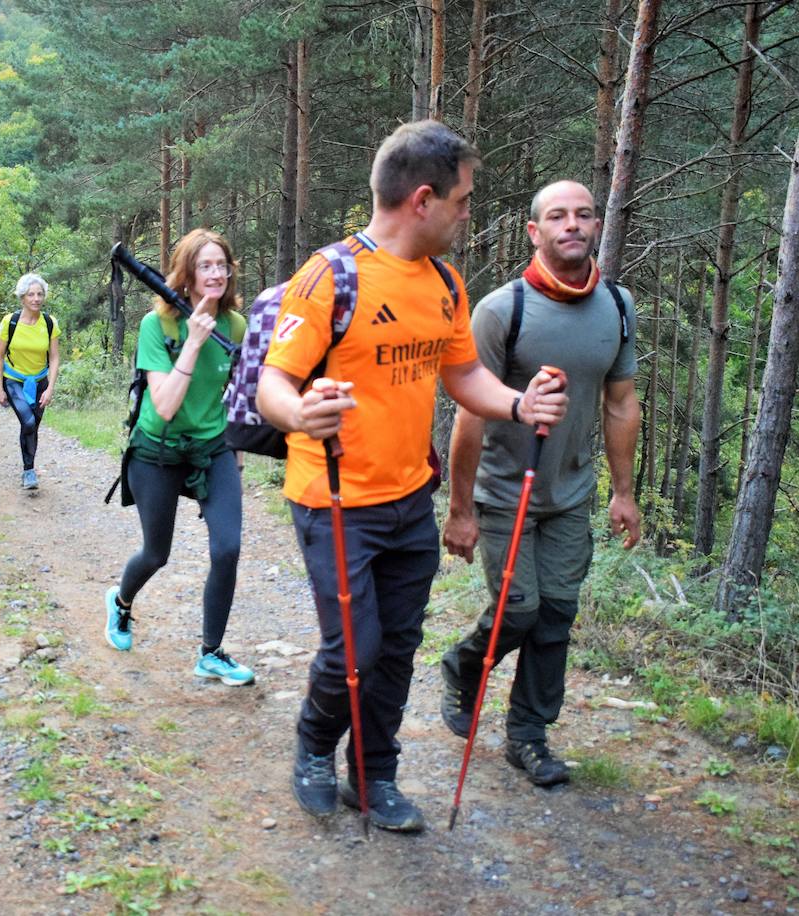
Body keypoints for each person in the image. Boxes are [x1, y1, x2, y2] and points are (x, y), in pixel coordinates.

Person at [256, 121, 567, 833]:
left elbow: (462, 375)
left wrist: (519, 403)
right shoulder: (330, 276)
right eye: (462, 200)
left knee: (395, 649)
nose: (468, 214)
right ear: (422, 199)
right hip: (333, 502)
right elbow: (275, 383)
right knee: (355, 649)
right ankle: (314, 744)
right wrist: (302, 414)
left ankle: (375, 776)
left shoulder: (445, 285)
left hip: (407, 502)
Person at [440, 180, 641, 787]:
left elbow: (621, 403)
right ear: (535, 231)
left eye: (583, 215)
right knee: (518, 610)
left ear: (596, 225)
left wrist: (624, 493)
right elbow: (470, 412)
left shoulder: (618, 305)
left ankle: (528, 735)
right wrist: (459, 510)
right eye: (558, 216)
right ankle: (464, 666)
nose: (572, 225)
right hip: (504, 493)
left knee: (556, 615)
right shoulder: (504, 310)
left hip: (569, 495)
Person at [102, 228, 255, 688]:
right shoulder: (158, 327)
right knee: (156, 552)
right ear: (186, 275)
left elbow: (235, 396)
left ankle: (211, 652)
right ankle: (121, 602)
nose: (215, 273)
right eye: (205, 266)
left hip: (213, 447)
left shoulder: (236, 326)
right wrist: (191, 341)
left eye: (221, 265)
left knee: (227, 549)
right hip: (159, 451)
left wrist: (238, 456)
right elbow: (165, 404)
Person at [0, 274, 61, 489]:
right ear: (22, 297)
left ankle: (28, 469)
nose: (36, 298)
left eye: (40, 294)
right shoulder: (9, 322)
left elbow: (54, 357)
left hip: (40, 381)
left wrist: (50, 388)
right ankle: (29, 471)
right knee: (28, 422)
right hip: (14, 380)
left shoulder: (49, 323)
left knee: (33, 426)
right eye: (31, 294)